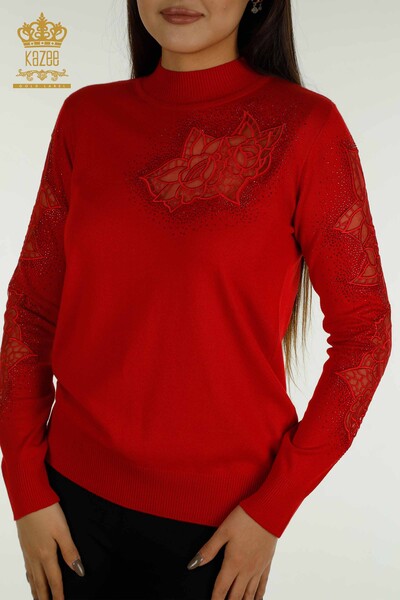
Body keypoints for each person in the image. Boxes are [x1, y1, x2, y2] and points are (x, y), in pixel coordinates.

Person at [0, 0, 392, 599]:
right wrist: (26, 487)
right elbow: (32, 307)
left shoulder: (307, 129)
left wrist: (273, 508)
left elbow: (366, 331)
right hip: (69, 504)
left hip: (219, 530)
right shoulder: (86, 117)